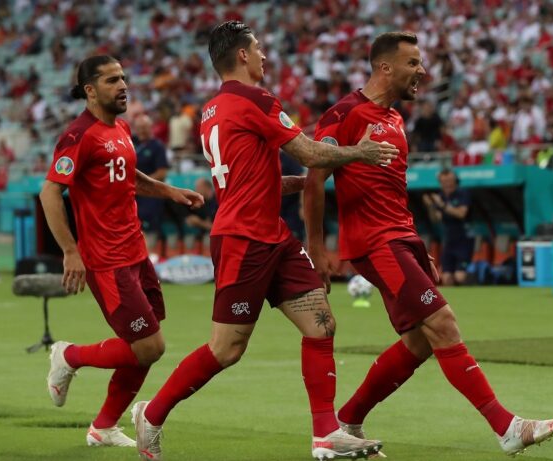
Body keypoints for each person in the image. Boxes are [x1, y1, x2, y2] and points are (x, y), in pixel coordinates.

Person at [131, 21, 398, 461]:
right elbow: (310, 152)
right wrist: (359, 152)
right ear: (241, 55)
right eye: (257, 48)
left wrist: (300, 184)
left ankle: (326, 433)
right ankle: (152, 414)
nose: (264, 56)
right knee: (227, 349)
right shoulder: (255, 98)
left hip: (271, 234)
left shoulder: (212, 109)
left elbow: (251, 176)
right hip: (243, 238)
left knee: (321, 324)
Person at [304, 31, 553, 458]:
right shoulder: (344, 114)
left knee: (419, 341)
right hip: (375, 243)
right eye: (412, 63)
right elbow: (315, 179)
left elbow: (391, 191)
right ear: (385, 67)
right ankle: (508, 427)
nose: (422, 71)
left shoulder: (394, 119)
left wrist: (415, 243)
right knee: (443, 323)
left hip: (400, 239)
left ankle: (349, 418)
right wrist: (316, 248)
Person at [39, 55, 204, 449]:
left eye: (124, 78)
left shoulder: (121, 128)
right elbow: (50, 192)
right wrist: (70, 251)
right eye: (112, 80)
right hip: (106, 261)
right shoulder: (79, 136)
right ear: (90, 90)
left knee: (145, 349)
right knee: (150, 347)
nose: (123, 85)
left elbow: (127, 176)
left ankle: (103, 426)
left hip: (136, 253)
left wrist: (168, 191)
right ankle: (69, 356)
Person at [423, 169, 472, 285]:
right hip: (448, 240)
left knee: (460, 277)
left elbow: (461, 213)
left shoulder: (462, 193)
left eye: (450, 181)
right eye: (444, 181)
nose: (447, 184)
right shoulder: (441, 196)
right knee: (446, 278)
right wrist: (431, 206)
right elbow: (436, 219)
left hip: (463, 239)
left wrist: (441, 205)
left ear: (455, 180)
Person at [133, 113, 170, 252]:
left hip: (150, 197)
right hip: (132, 195)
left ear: (151, 128)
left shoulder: (157, 146)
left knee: (150, 232)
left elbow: (162, 172)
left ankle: (149, 258)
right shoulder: (131, 143)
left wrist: (143, 181)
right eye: (139, 127)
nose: (142, 130)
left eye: (144, 127)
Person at [184, 177, 217, 252]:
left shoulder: (218, 200)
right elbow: (191, 220)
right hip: (203, 231)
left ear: (206, 187)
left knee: (208, 240)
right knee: (189, 233)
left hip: (216, 233)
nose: (196, 190)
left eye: (198, 187)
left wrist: (200, 223)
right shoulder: (199, 201)